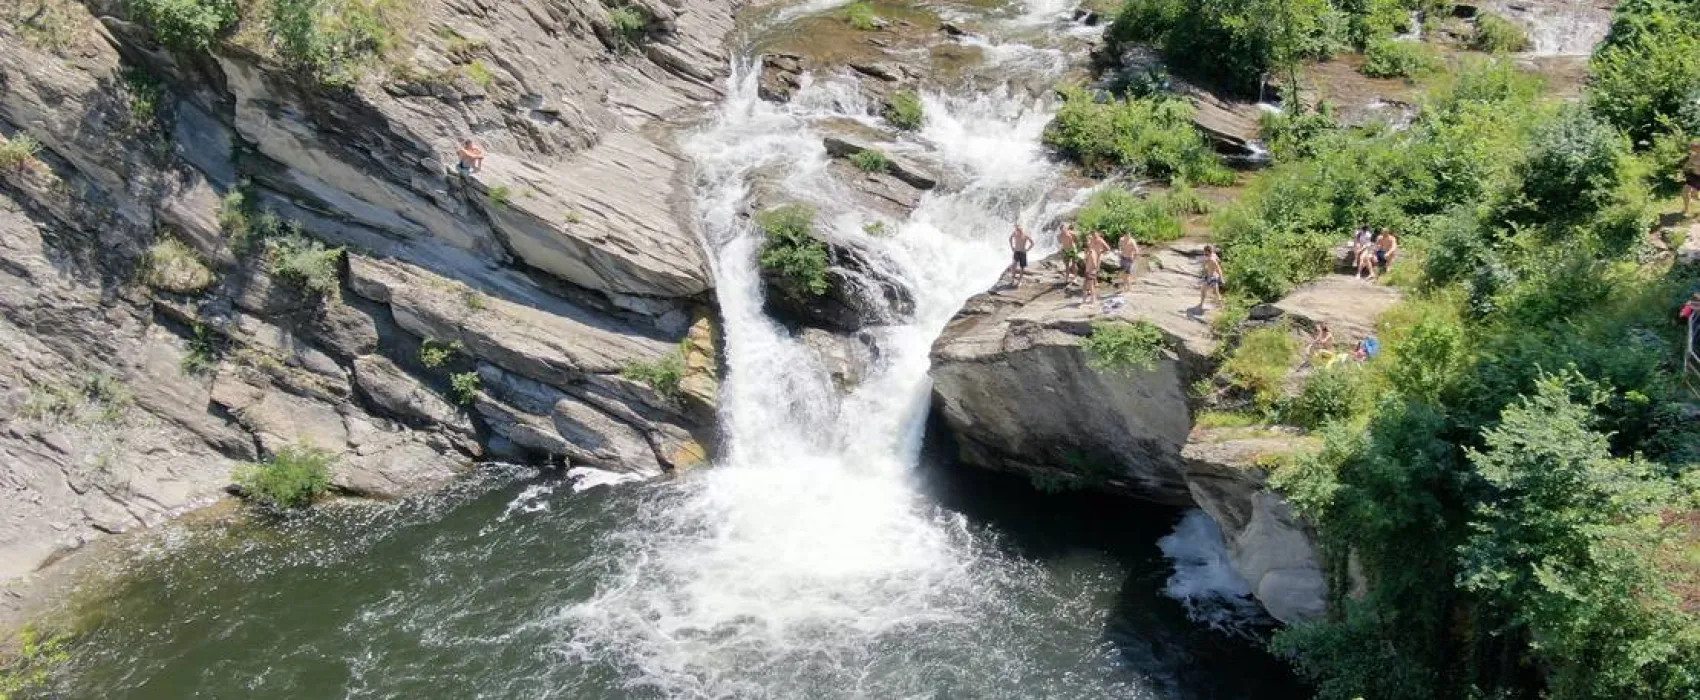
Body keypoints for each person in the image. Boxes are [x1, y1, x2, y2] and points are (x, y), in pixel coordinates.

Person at [1083, 230, 1110, 306]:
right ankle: (1092, 288)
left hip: (1097, 257)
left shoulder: (1100, 240)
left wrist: (1101, 252)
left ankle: (1093, 290)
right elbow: (1088, 246)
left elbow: (1108, 248)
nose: (1094, 236)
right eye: (1093, 235)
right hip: (1091, 257)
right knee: (1091, 274)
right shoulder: (1091, 240)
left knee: (1094, 272)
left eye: (1095, 234)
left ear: (1098, 234)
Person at [1199, 244, 1225, 309]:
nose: (1205, 255)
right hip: (1209, 276)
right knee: (1205, 290)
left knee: (1214, 292)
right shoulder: (1213, 255)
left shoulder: (1212, 260)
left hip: (1212, 277)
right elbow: (1219, 260)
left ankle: (1221, 305)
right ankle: (1201, 304)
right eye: (1204, 253)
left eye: (1206, 254)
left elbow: (1219, 269)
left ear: (1210, 252)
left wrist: (1222, 278)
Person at [1058, 222, 1080, 287]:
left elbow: (1076, 241)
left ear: (1066, 228)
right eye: (1062, 228)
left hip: (1072, 249)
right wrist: (1061, 251)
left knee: (1074, 264)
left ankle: (1075, 278)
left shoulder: (1072, 233)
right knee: (1066, 265)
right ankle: (1067, 278)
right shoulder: (1059, 236)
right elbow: (1060, 242)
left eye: (1064, 228)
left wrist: (1076, 248)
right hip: (1065, 250)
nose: (1063, 230)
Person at [1684, 141, 1700, 217]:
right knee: (1685, 192)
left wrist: (1695, 166)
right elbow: (1688, 164)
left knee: (1694, 196)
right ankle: (1686, 210)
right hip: (1693, 176)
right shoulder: (1692, 155)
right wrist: (1685, 168)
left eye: (1693, 147)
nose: (1692, 149)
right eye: (1691, 147)